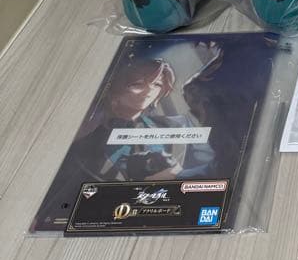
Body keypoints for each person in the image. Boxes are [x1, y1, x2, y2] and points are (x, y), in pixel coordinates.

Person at [73, 41, 220, 180]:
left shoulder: (180, 124)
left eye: (157, 84)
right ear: (118, 88)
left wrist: (177, 175)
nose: (149, 90)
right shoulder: (91, 132)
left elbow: (215, 166)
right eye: (138, 84)